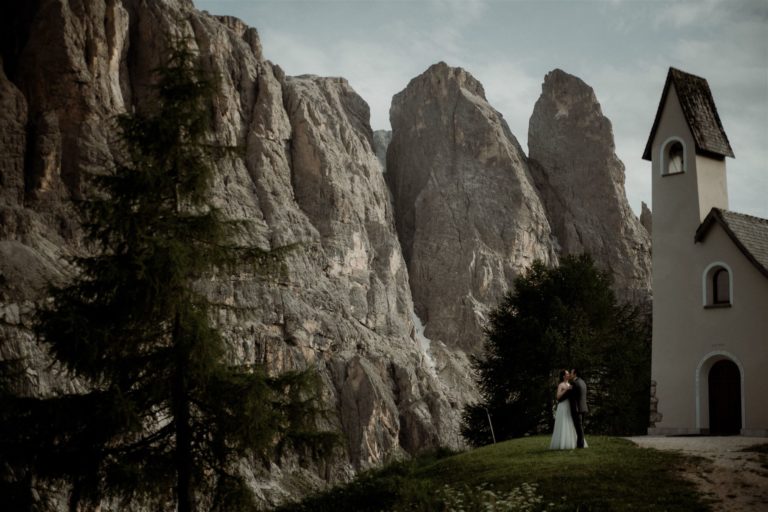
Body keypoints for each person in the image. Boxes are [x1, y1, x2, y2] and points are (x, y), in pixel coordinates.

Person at [549, 370, 578, 450]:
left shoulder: (569, 384)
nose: (569, 375)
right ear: (563, 376)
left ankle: (571, 442)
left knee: (569, 422)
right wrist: (566, 389)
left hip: (569, 406)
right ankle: (561, 443)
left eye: (569, 373)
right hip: (562, 406)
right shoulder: (561, 385)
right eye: (567, 374)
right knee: (563, 423)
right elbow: (558, 397)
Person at [569, 368, 588, 449]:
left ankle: (580, 445)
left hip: (577, 409)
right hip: (584, 408)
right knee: (581, 428)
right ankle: (580, 444)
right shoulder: (583, 382)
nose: (570, 374)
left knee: (579, 429)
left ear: (575, 374)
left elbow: (572, 397)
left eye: (571, 373)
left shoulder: (574, 383)